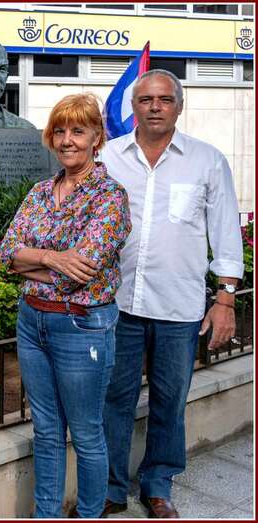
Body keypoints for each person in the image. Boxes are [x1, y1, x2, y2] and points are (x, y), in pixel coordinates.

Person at [99, 70, 244, 519]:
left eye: (164, 99)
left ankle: (158, 485)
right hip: (117, 303)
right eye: (146, 99)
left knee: (169, 399)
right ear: (134, 106)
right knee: (114, 399)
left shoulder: (206, 160)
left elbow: (224, 231)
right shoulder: (107, 157)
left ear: (178, 106)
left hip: (179, 307)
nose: (155, 106)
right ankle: (109, 488)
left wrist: (225, 298)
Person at [0, 93, 131, 518]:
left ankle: (90, 513)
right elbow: (5, 253)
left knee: (88, 434)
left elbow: (85, 270)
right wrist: (53, 258)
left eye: (78, 130)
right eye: (60, 130)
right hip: (31, 322)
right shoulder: (40, 192)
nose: (67, 139)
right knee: (47, 431)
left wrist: (30, 261)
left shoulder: (110, 197)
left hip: (82, 327)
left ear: (97, 137)